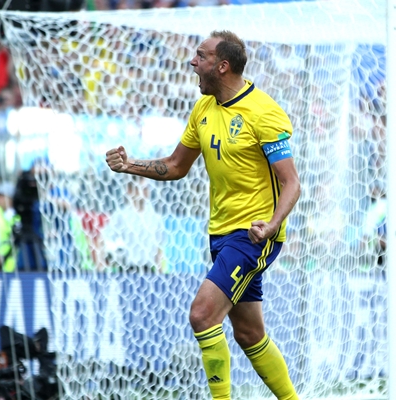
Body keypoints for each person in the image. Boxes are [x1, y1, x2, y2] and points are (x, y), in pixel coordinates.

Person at [104, 30, 300, 400]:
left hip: (254, 233)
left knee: (202, 315)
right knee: (248, 334)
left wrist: (272, 225)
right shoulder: (203, 109)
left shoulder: (264, 112)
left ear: (222, 66)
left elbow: (292, 183)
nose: (192, 62)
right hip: (221, 234)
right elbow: (177, 166)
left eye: (201, 56)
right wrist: (130, 166)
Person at [100, 177, 165, 273]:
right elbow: (104, 237)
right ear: (130, 190)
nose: (145, 192)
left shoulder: (154, 217)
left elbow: (159, 247)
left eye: (146, 188)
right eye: (141, 188)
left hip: (149, 271)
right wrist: (101, 265)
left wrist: (160, 271)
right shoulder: (121, 215)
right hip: (127, 271)